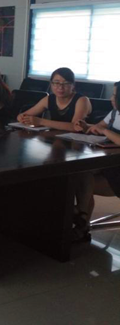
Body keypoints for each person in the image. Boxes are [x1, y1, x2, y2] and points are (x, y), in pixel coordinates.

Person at [72, 81, 120, 241]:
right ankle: (82, 221)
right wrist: (86, 126)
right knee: (81, 173)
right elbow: (98, 127)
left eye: (114, 95)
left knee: (82, 181)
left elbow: (105, 131)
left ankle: (79, 217)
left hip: (117, 172)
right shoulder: (114, 113)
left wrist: (105, 131)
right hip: (108, 164)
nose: (111, 98)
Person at [17, 67, 91, 131]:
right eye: (56, 83)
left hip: (79, 141)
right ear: (51, 84)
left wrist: (40, 121)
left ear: (73, 85)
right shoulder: (49, 99)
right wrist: (22, 118)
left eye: (66, 83)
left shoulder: (82, 100)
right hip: (55, 137)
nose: (60, 87)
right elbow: (23, 115)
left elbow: (75, 127)